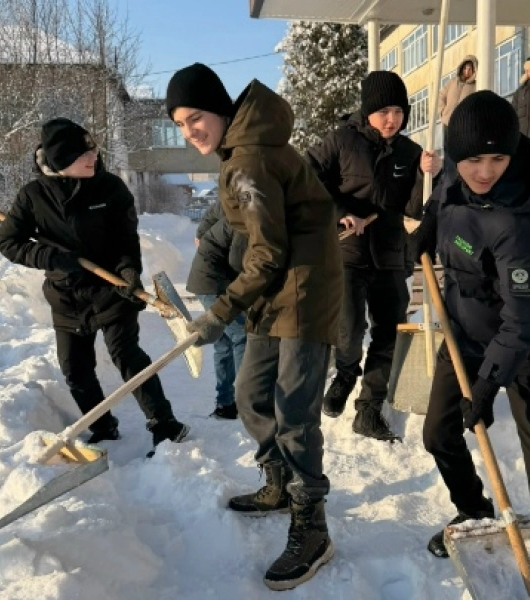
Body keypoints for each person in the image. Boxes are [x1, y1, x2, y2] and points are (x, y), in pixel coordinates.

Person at [166, 63, 343, 591]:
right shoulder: (241, 153)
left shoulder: (249, 160)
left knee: (294, 414)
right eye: (179, 124)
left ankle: (313, 528)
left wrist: (219, 312)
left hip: (304, 295)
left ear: (221, 111)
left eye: (195, 118)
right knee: (249, 394)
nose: (189, 131)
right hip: (275, 291)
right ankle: (278, 481)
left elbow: (268, 251)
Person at [410, 91, 530, 558]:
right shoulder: (456, 168)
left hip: (527, 342)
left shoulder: (522, 220)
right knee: (438, 433)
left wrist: (487, 384)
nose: (485, 172)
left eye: (497, 159)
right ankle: (474, 512)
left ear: (512, 152)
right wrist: (428, 227)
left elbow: (524, 319)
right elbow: (445, 193)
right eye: (473, 160)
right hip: (467, 327)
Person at [0, 118, 190, 451]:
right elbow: (8, 241)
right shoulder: (33, 196)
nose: (94, 157)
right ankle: (102, 426)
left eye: (93, 150)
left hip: (112, 290)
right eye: (84, 154)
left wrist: (128, 271)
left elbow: (126, 239)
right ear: (61, 160)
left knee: (127, 356)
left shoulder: (110, 188)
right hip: (66, 295)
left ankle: (166, 425)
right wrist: (51, 257)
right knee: (75, 368)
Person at [307, 70, 442, 442]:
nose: (391, 119)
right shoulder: (342, 141)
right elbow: (307, 176)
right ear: (368, 111)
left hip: (390, 254)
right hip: (347, 251)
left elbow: (414, 208)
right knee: (349, 329)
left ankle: (368, 407)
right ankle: (345, 373)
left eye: (398, 111)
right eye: (383, 111)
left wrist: (427, 175)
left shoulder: (411, 152)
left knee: (389, 333)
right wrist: (341, 211)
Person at [187, 198, 248, 420]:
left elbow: (210, 217)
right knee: (241, 336)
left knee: (224, 343)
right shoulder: (245, 217)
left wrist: (203, 235)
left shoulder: (234, 202)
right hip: (212, 282)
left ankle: (226, 403)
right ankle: (246, 401)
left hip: (211, 278)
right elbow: (238, 262)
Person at [437, 55, 477, 156]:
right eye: (465, 68)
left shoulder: (475, 86)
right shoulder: (453, 82)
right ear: (461, 68)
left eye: (470, 69)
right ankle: (449, 167)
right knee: (448, 150)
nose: (467, 71)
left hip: (463, 125)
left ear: (474, 70)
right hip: (448, 122)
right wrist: (442, 111)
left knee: (461, 150)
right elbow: (441, 96)